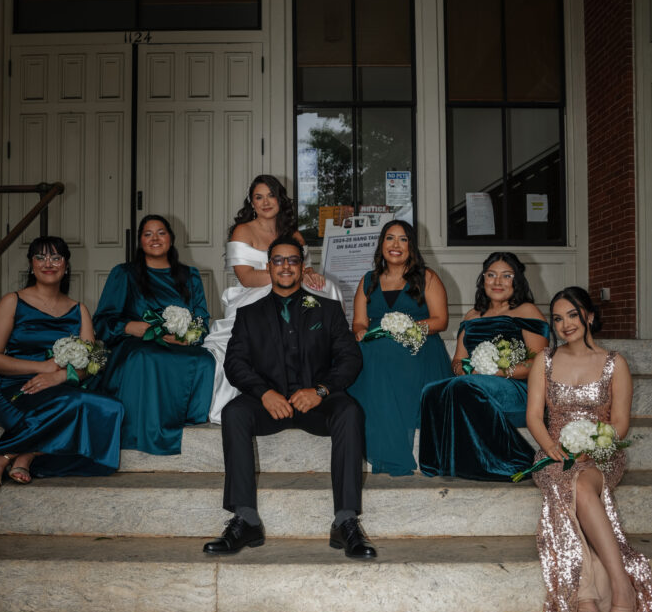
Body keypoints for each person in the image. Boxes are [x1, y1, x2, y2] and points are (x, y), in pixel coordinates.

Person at [203, 235, 375, 559]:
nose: (285, 267)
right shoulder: (249, 314)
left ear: (302, 267)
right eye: (278, 260)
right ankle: (245, 518)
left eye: (292, 260)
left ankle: (345, 520)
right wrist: (264, 393)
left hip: (317, 402)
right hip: (268, 403)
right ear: (269, 267)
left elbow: (350, 359)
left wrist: (320, 391)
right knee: (234, 413)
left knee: (350, 411)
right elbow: (235, 363)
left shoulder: (328, 309)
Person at [527, 287, 652, 612]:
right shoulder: (546, 360)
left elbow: (620, 423)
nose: (565, 324)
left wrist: (597, 446)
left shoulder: (615, 363)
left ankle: (611, 589)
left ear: (590, 316)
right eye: (557, 318)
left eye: (573, 314)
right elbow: (534, 417)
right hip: (554, 454)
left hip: (602, 455)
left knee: (583, 484)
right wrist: (551, 447)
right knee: (568, 482)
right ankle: (604, 589)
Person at [0, 236, 124, 487]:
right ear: (31, 264)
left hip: (62, 388)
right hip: (19, 390)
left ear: (66, 265)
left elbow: (92, 363)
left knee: (112, 407)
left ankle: (26, 453)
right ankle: (0, 455)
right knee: (74, 402)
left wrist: (59, 376)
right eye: (41, 257)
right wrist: (42, 367)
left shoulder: (79, 309)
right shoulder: (12, 301)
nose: (49, 263)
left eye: (56, 257)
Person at [203, 175, 341, 423]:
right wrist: (285, 275)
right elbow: (246, 277)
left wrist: (309, 274)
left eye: (271, 195)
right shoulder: (243, 231)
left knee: (327, 287)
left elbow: (303, 268)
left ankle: (325, 360)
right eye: (259, 197)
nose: (266, 202)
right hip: (254, 291)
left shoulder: (293, 234)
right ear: (252, 203)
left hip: (291, 286)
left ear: (280, 199)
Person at [419, 252, 549, 481]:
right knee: (431, 390)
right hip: (476, 382)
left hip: (517, 386)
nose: (497, 282)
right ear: (483, 279)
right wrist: (467, 370)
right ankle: (439, 462)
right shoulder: (472, 315)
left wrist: (496, 370)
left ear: (516, 281)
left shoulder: (527, 311)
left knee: (465, 388)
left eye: (506, 276)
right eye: (491, 275)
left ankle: (515, 461)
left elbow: (538, 363)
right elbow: (458, 361)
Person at [93, 214, 215, 455]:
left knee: (205, 360)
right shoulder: (124, 273)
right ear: (140, 241)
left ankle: (187, 422)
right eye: (148, 234)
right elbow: (103, 320)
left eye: (161, 232)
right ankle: (142, 429)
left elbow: (201, 319)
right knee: (146, 357)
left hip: (177, 342)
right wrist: (131, 327)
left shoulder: (190, 275)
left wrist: (188, 337)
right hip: (136, 342)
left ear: (171, 238)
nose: (155, 238)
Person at [348, 219, 452, 475]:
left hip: (419, 348)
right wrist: (361, 332)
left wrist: (405, 329)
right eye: (390, 238)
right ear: (381, 244)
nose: (396, 245)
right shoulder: (368, 280)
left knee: (383, 351)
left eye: (403, 239)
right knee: (362, 352)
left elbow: (440, 320)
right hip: (379, 348)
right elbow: (359, 322)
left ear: (412, 246)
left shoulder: (427, 277)